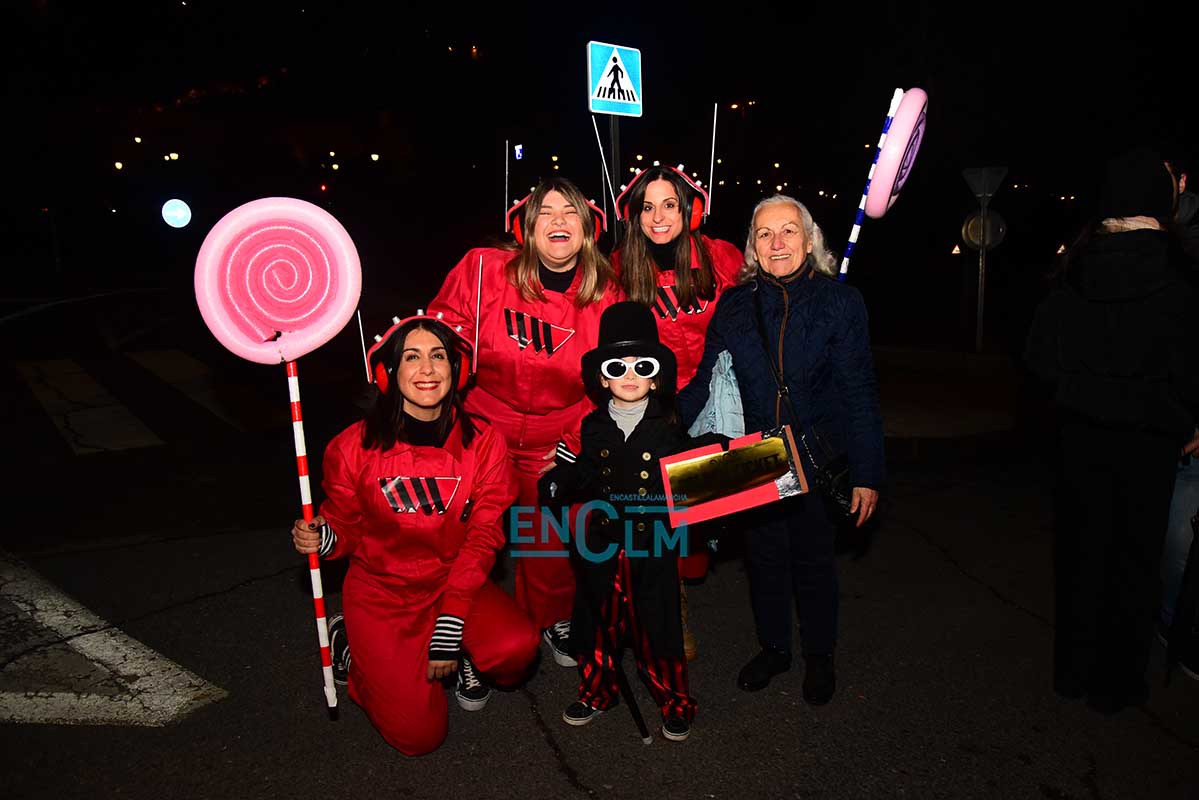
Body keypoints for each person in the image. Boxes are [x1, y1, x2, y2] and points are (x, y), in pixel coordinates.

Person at [291, 315, 539, 755]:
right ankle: (353, 649)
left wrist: (451, 619)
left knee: (516, 650)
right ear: (388, 372)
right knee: (418, 738)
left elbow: (484, 537)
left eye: (438, 356)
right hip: (382, 593)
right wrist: (325, 537)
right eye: (411, 357)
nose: (427, 368)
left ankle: (467, 654)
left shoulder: (486, 443)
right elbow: (344, 525)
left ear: (457, 370)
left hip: (454, 581)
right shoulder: (351, 447)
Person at [678, 194, 884, 705]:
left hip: (816, 453)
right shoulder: (734, 306)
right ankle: (774, 649)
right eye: (765, 234)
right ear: (752, 246)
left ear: (809, 241)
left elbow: (859, 392)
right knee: (764, 560)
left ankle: (819, 655)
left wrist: (867, 472)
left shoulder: (841, 303)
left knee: (813, 562)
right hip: (754, 457)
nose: (777, 243)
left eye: (789, 231)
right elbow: (706, 383)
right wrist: (654, 422)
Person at [1024, 147, 1199, 713]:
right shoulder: (1180, 276)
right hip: (1151, 443)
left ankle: (1071, 674)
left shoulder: (1075, 270)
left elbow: (1039, 360)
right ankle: (1116, 685)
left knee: (1081, 556)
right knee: (1135, 560)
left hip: (1080, 436)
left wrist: (1074, 394)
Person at [427, 177, 621, 668]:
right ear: (527, 227)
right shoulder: (483, 271)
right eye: (546, 212)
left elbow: (612, 383)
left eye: (570, 212)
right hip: (481, 429)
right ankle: (459, 627)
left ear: (588, 229)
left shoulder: (607, 295)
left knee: (546, 536)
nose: (559, 221)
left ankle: (550, 616)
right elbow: (441, 336)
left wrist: (576, 440)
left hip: (554, 436)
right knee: (461, 533)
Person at [538, 301, 724, 741]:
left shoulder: (668, 428)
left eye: (642, 366)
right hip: (603, 542)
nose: (629, 375)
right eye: (616, 367)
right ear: (602, 378)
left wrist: (720, 456)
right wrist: (561, 480)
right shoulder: (594, 426)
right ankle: (597, 692)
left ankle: (674, 702)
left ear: (655, 378)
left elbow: (687, 473)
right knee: (595, 623)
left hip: (653, 544)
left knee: (657, 627)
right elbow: (587, 472)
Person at [612, 163, 745, 659]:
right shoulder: (620, 267)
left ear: (690, 209)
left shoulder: (721, 256)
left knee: (700, 519)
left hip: (717, 401)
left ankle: (688, 575)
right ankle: (671, 609)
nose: (658, 217)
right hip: (654, 407)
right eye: (648, 207)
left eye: (670, 204)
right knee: (658, 516)